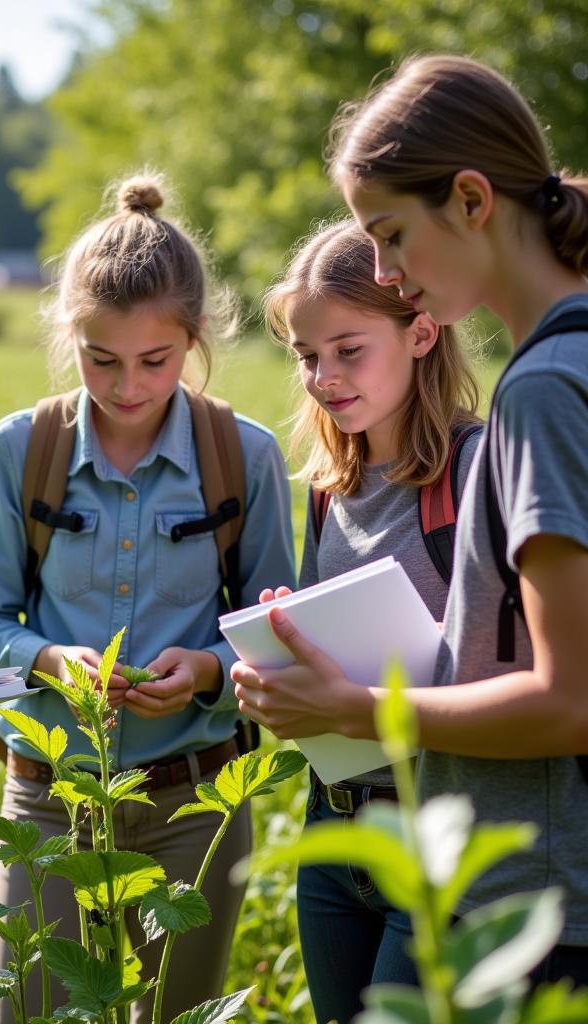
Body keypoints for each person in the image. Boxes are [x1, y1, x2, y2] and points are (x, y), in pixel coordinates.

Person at [233, 54, 588, 988]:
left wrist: (360, 710)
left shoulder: (544, 391)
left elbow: (572, 697)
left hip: (539, 900)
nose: (387, 270)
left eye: (390, 235)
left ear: (472, 201)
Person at [0, 174, 296, 1023]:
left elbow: (274, 627)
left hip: (194, 801)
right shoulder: (20, 449)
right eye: (101, 360)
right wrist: (47, 659)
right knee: (27, 1011)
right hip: (50, 796)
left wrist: (209, 672)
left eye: (156, 361)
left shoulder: (242, 457)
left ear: (195, 341)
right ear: (69, 336)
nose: (128, 386)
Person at [261, 218, 481, 1023]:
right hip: (336, 824)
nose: (323, 377)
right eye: (308, 356)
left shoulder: (477, 471)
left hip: (440, 829)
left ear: (420, 331)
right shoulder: (329, 486)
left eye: (348, 350)